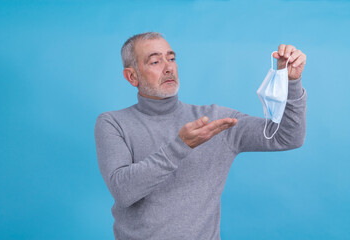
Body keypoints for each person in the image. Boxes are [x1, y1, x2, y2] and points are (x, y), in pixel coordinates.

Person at [94, 32, 307, 240]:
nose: (169, 68)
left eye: (171, 58)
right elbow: (123, 192)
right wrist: (181, 145)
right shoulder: (113, 123)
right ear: (132, 76)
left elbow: (287, 137)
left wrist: (291, 82)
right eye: (155, 62)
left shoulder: (216, 120)